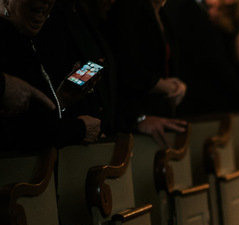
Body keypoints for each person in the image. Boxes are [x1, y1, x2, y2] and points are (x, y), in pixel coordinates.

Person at [0, 0, 102, 151]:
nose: (46, 2)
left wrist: (60, 100)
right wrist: (79, 130)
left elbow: (29, 117)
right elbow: (20, 135)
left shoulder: (22, 37)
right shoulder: (5, 40)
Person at [106, 0, 188, 147]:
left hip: (162, 116)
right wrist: (166, 87)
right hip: (135, 121)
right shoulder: (129, 9)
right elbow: (126, 69)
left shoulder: (161, 12)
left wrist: (179, 86)